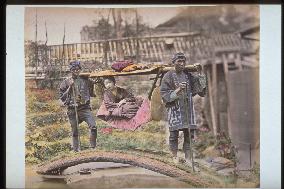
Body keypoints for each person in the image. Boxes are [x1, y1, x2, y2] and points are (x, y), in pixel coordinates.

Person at [160, 52, 207, 165]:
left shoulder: (188, 75)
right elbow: (164, 95)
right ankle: (174, 156)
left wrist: (200, 72)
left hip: (188, 108)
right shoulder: (168, 76)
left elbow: (201, 90)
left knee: (189, 135)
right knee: (174, 135)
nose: (182, 64)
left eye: (183, 61)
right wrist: (177, 90)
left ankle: (188, 158)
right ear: (174, 63)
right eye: (179, 61)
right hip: (175, 109)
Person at [59, 61, 97, 152]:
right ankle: (76, 150)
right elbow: (62, 97)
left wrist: (94, 83)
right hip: (72, 109)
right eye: (74, 69)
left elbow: (92, 93)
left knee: (93, 127)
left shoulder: (86, 80)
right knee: (75, 132)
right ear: (70, 70)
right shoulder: (65, 82)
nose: (76, 71)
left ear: (80, 69)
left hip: (84, 108)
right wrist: (69, 87)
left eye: (78, 69)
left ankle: (93, 148)